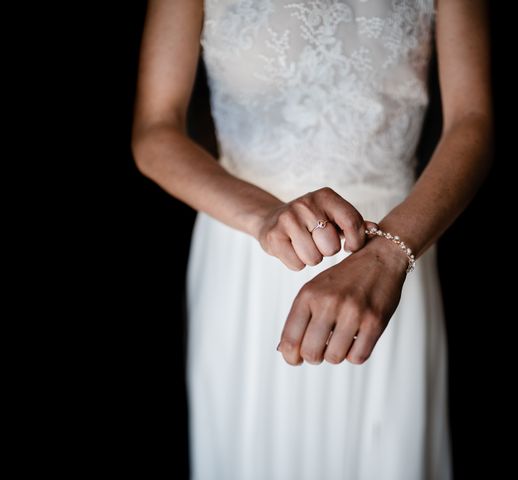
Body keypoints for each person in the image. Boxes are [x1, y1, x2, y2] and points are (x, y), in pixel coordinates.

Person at [131, 0, 493, 478]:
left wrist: (389, 254)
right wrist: (264, 218)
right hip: (244, 254)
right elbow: (155, 128)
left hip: (396, 252)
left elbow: (472, 122)